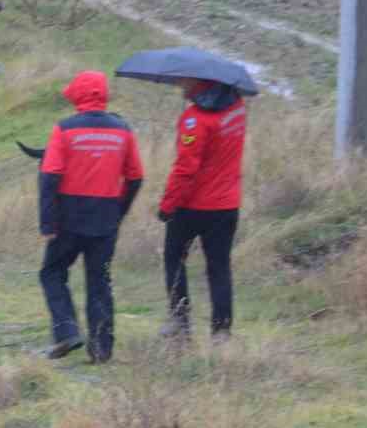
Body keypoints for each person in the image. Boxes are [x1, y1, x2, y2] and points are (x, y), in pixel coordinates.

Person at [37, 71, 145, 363]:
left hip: (68, 218)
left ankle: (67, 331)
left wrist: (47, 222)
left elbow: (49, 177)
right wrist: (118, 213)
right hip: (106, 219)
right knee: (99, 282)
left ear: (77, 95)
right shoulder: (123, 130)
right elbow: (135, 177)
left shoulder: (64, 129)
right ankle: (101, 350)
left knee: (51, 273)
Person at [157, 77, 246, 345]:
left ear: (198, 82)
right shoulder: (237, 108)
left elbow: (186, 169)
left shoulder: (195, 120)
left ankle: (180, 321)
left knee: (174, 258)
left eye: (183, 81)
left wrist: (167, 205)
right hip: (227, 205)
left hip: (192, 206)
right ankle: (221, 331)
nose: (179, 85)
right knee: (219, 267)